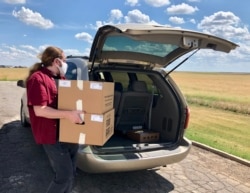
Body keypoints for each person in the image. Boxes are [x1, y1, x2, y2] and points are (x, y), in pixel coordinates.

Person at [25, 46, 84, 193]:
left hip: (68, 132)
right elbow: (40, 110)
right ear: (56, 61)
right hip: (51, 135)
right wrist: (68, 114)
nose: (66, 64)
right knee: (64, 175)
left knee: (71, 173)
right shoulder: (38, 79)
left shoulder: (60, 78)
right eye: (64, 60)